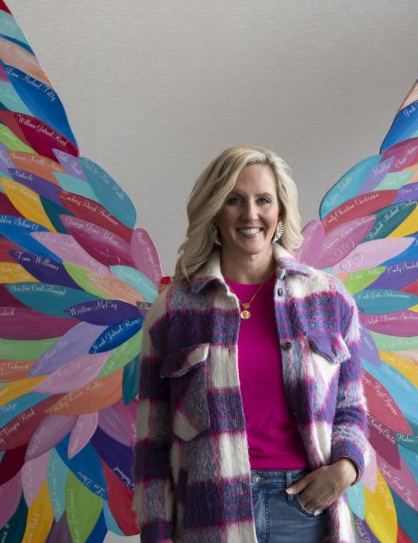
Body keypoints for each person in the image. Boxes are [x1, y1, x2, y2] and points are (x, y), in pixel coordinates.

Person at [133, 146, 367, 542]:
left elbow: (351, 407)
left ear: (280, 211)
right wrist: (156, 533)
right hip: (210, 511)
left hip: (305, 509)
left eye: (263, 200)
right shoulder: (175, 309)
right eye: (234, 200)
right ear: (215, 211)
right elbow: (152, 442)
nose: (250, 214)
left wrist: (346, 468)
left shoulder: (328, 300)